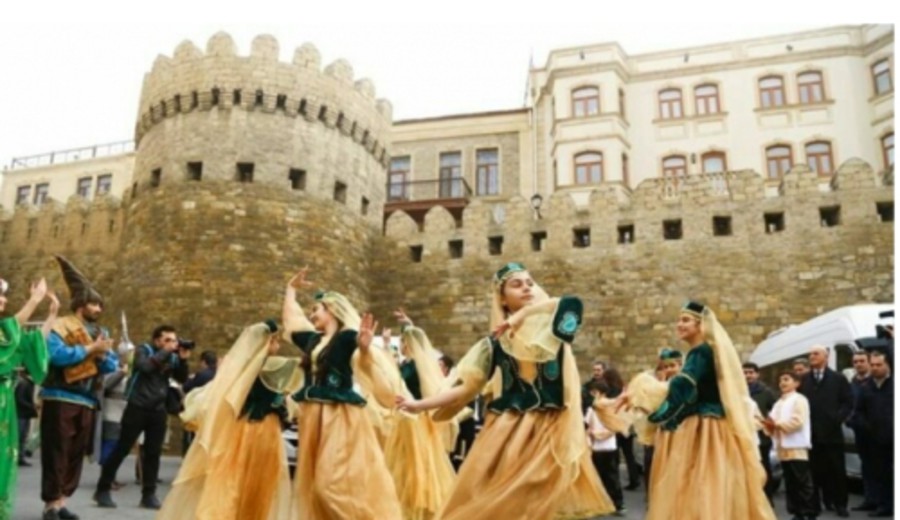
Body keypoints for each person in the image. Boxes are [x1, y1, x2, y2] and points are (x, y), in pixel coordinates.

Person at [397, 262, 614, 519]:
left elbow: (573, 303)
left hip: (550, 429)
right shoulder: (494, 344)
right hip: (508, 431)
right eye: (517, 284)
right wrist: (419, 405)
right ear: (501, 296)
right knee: (502, 502)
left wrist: (523, 315)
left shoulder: (554, 329)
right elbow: (467, 388)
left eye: (530, 283)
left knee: (539, 500)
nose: (527, 288)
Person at [620, 301, 775, 520]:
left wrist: (652, 408)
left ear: (700, 324)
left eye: (685, 320)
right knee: (711, 484)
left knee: (697, 484)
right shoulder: (708, 351)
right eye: (679, 320)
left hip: (703, 428)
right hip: (712, 426)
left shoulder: (700, 352)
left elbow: (682, 389)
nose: (679, 325)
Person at [283, 268, 402, 519]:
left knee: (330, 485)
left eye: (316, 310)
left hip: (340, 416)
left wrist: (366, 348)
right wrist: (290, 290)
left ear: (332, 310)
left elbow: (363, 361)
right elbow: (291, 322)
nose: (311, 314)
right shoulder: (314, 340)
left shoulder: (348, 337)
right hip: (314, 416)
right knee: (315, 486)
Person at [158, 320, 302, 520]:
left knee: (232, 481)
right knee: (255, 484)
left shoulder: (239, 369)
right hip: (261, 431)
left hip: (238, 430)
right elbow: (297, 377)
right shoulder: (270, 368)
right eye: (275, 341)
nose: (278, 346)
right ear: (267, 343)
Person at [40, 256, 118, 520]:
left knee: (75, 454)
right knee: (57, 451)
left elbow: (111, 365)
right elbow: (57, 356)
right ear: (80, 304)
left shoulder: (100, 331)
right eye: (93, 304)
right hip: (60, 396)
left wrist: (104, 355)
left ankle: (62, 502)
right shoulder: (61, 326)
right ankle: (51, 503)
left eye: (99, 304)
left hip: (86, 399)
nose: (97, 308)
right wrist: (90, 349)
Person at [94, 324, 189, 509]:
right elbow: (145, 367)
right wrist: (166, 352)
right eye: (167, 340)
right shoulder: (142, 350)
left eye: (173, 340)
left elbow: (181, 378)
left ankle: (149, 495)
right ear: (156, 340)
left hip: (158, 409)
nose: (171, 344)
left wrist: (183, 360)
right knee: (122, 448)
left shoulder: (172, 357)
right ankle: (103, 488)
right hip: (137, 407)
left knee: (153, 453)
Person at [384, 311, 456, 519]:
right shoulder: (409, 363)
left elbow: (422, 387)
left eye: (404, 341)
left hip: (414, 419)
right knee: (406, 464)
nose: (403, 344)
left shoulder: (416, 365)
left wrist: (403, 331)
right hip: (405, 418)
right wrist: (406, 325)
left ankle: (415, 508)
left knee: (414, 464)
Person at [0, 277, 57, 520]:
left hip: (5, 401)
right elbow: (12, 332)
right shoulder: (5, 330)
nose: (3, 299)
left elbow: (29, 343)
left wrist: (51, 315)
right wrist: (34, 299)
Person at [799, 344, 852, 517]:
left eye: (815, 353)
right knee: (813, 472)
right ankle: (814, 505)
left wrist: (838, 418)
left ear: (825, 356)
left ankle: (840, 504)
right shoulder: (804, 380)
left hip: (832, 434)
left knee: (837, 470)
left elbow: (847, 402)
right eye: (810, 354)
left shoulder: (838, 379)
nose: (811, 357)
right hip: (811, 435)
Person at [763, 372, 817, 520]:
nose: (782, 383)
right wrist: (766, 425)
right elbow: (771, 421)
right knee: (791, 482)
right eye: (781, 380)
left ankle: (809, 512)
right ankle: (797, 512)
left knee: (803, 481)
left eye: (786, 379)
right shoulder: (779, 403)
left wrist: (776, 425)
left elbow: (797, 421)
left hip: (797, 446)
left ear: (796, 383)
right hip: (782, 447)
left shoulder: (799, 400)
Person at [850, 351, 893, 518]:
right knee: (881, 474)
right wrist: (867, 426)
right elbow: (858, 412)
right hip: (876, 439)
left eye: (878, 365)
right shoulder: (867, 387)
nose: (875, 368)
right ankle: (885, 505)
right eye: (873, 365)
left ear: (887, 364)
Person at [585, 380, 626, 516]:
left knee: (612, 477)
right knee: (599, 478)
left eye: (595, 392)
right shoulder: (592, 409)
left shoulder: (609, 407)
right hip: (597, 448)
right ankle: (602, 504)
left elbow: (616, 426)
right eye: (592, 392)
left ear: (601, 393)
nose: (593, 395)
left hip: (609, 447)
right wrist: (591, 435)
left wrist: (603, 434)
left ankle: (618, 505)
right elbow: (587, 425)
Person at [602, 366, 642, 491]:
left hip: (615, 426)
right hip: (627, 427)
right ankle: (634, 480)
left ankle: (615, 483)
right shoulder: (624, 389)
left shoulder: (608, 392)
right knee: (629, 455)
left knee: (615, 457)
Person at [846, 351, 877, 511]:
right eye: (856, 361)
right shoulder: (852, 383)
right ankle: (869, 499)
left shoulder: (875, 382)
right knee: (866, 466)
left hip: (876, 432)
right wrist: (849, 420)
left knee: (881, 467)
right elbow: (849, 406)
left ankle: (884, 501)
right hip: (860, 431)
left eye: (862, 361)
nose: (858, 364)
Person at [744, 361, 778, 501]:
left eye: (751, 372)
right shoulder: (736, 390)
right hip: (744, 436)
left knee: (764, 467)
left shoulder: (766, 392)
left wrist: (768, 425)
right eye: (745, 373)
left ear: (757, 374)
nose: (748, 376)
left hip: (761, 437)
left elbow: (775, 410)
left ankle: (767, 498)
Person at [181, 350, 217, 454]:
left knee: (192, 434)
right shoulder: (220, 374)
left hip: (198, 409)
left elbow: (186, 387)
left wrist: (190, 379)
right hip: (213, 409)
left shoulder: (201, 374)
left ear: (203, 362)